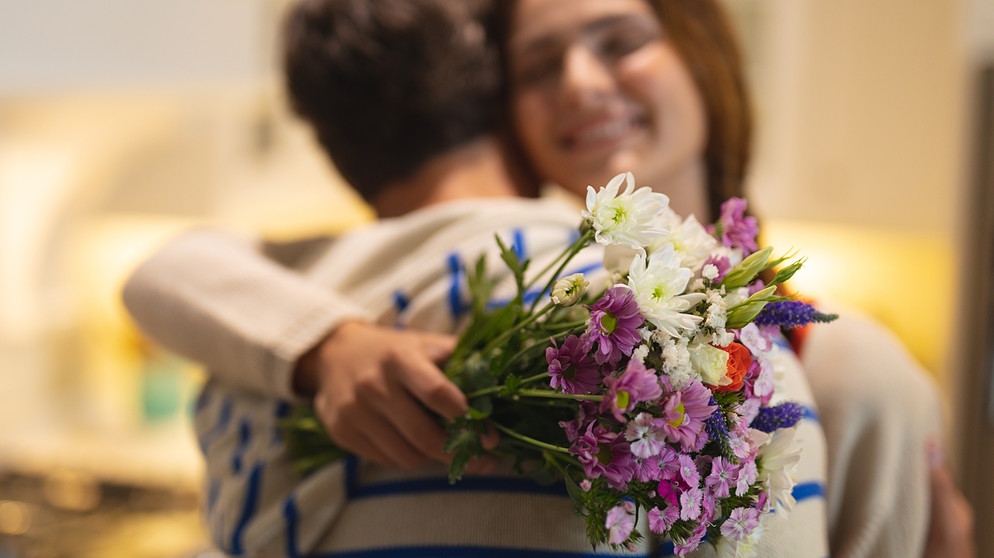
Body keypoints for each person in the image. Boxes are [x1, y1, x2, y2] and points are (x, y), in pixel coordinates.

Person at [123, 0, 972, 556]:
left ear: (702, 52)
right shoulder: (502, 282)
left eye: (622, 41)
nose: (581, 86)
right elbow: (179, 269)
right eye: (536, 67)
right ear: (499, 108)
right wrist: (331, 348)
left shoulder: (837, 360)